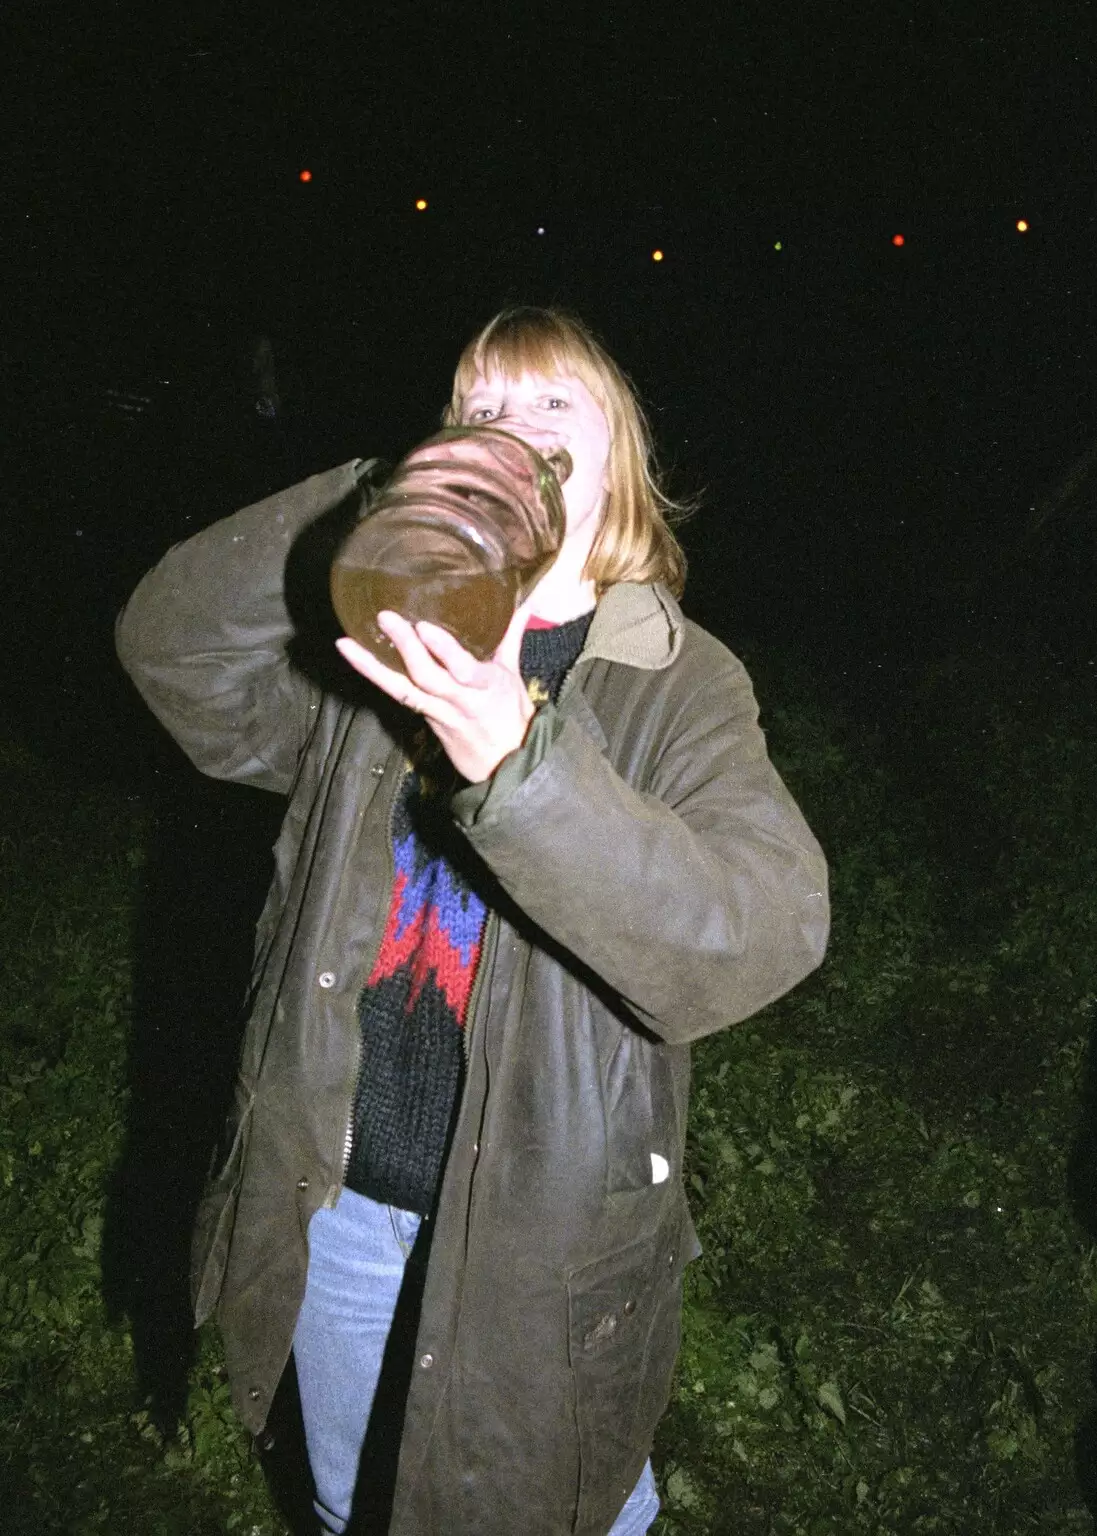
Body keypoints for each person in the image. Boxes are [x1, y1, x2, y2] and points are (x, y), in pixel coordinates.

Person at [116, 306, 829, 1536]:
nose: (512, 432)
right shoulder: (380, 655)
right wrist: (365, 500)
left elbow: (762, 929)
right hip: (333, 1199)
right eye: (478, 409)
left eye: (552, 407)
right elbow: (171, 653)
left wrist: (521, 763)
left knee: (567, 1514)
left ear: (615, 462)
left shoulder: (678, 681)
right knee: (354, 1504)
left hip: (536, 1237)